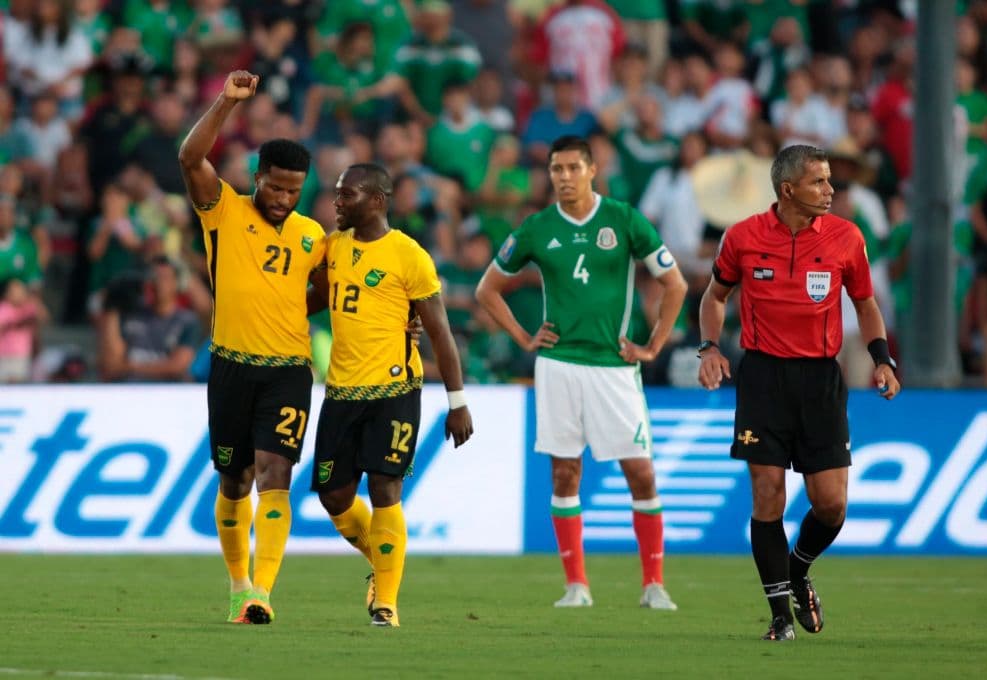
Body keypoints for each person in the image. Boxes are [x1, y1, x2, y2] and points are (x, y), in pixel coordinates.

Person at [697, 144, 901, 641]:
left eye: (830, 181)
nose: (831, 190)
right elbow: (715, 295)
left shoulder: (846, 238)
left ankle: (798, 569)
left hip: (819, 379)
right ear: (788, 190)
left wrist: (882, 359)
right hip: (764, 378)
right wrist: (708, 347)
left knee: (830, 504)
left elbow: (866, 303)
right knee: (767, 494)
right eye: (820, 182)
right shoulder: (743, 237)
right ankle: (779, 618)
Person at [475, 135, 687, 610]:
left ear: (592, 170)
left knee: (642, 473)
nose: (564, 177)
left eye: (573, 168)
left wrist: (654, 344)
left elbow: (675, 283)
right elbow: (488, 290)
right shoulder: (536, 227)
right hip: (558, 365)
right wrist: (525, 338)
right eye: (556, 169)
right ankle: (577, 586)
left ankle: (653, 584)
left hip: (614, 367)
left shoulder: (624, 219)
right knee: (565, 473)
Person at [178, 70, 327, 625]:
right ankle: (238, 584)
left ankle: (262, 590)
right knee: (233, 478)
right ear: (257, 177)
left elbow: (335, 292)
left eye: (295, 190)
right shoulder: (224, 209)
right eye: (276, 187)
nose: (285, 198)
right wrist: (225, 102)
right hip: (230, 367)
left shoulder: (314, 236)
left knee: (275, 473)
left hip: (289, 369)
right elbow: (190, 159)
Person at [308, 163, 473, 628]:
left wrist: (457, 401)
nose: (337, 202)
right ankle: (381, 559)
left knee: (386, 489)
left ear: (377, 200)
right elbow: (317, 297)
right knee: (334, 497)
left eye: (347, 195)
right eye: (337, 194)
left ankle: (387, 603)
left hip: (395, 388)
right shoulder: (332, 247)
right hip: (341, 390)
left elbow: (440, 332)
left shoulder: (409, 255)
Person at [96, 256, 201, 383]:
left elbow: (177, 367)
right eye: (153, 277)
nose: (157, 283)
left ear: (177, 283)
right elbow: (111, 364)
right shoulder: (130, 314)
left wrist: (128, 366)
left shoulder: (187, 321)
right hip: (127, 390)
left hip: (166, 393)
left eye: (164, 278)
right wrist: (111, 308)